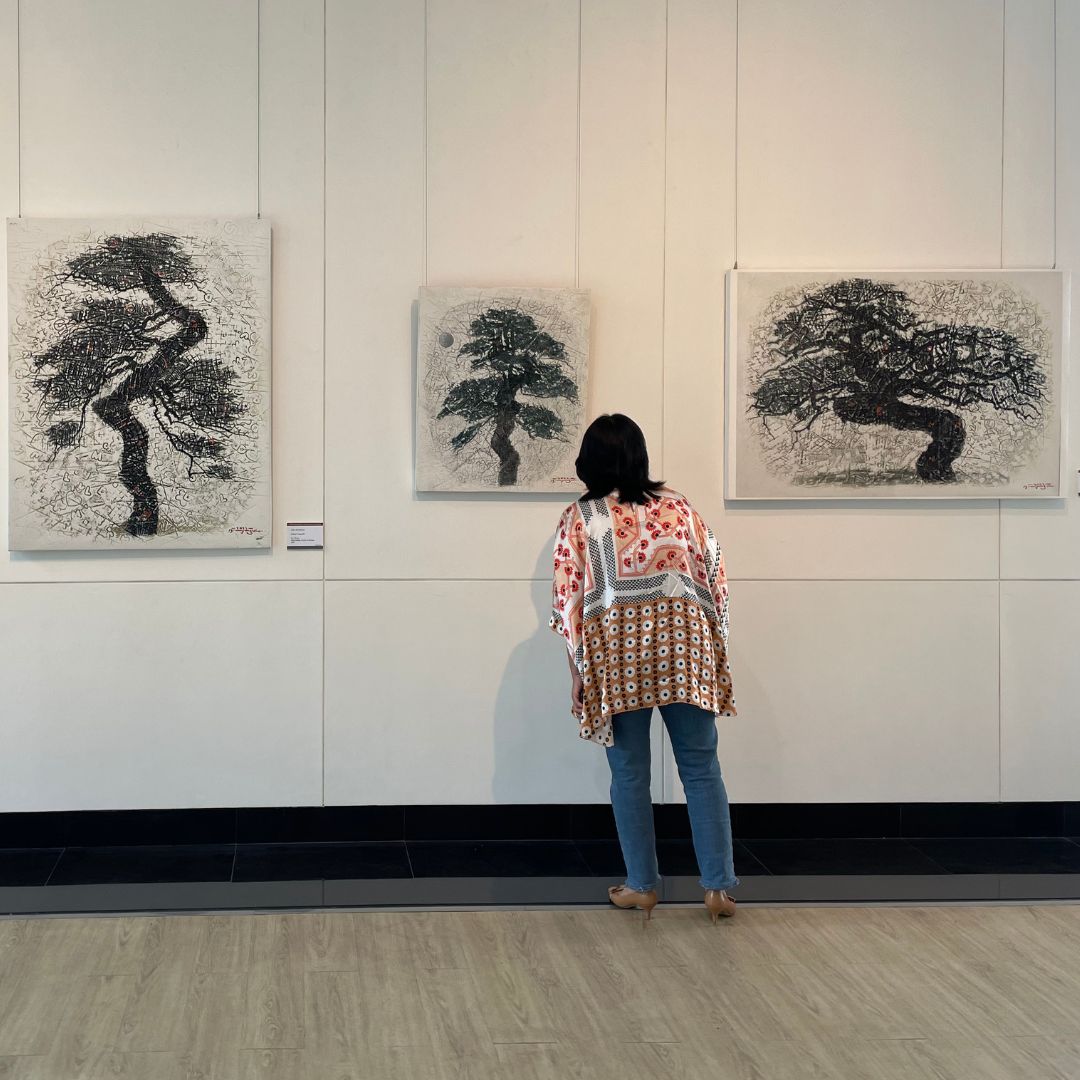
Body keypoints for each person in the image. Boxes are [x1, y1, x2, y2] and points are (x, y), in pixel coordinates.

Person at [549, 414, 738, 923]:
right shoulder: (680, 508)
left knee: (630, 773)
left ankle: (641, 886)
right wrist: (713, 643)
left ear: (588, 462)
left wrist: (578, 673)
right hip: (685, 652)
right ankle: (718, 889)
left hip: (619, 656)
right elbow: (716, 576)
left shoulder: (581, 517)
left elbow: (568, 602)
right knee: (701, 768)